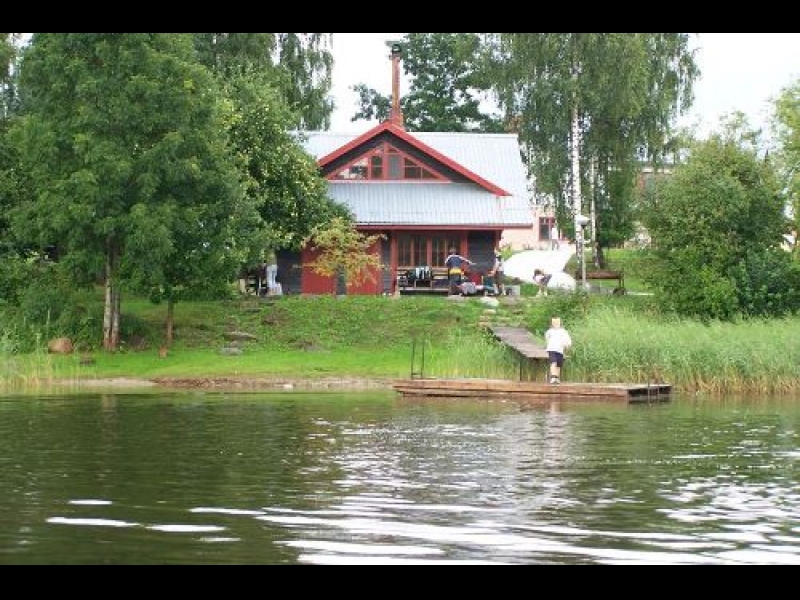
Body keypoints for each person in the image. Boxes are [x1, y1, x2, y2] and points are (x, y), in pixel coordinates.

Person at [546, 316, 572, 385]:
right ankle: (553, 377)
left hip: (560, 350)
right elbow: (547, 338)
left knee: (558, 364)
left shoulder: (563, 331)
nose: (556, 324)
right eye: (554, 322)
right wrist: (549, 345)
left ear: (560, 323)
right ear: (552, 323)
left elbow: (567, 340)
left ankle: (556, 377)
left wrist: (567, 345)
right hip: (551, 349)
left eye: (557, 322)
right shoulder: (550, 331)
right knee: (553, 362)